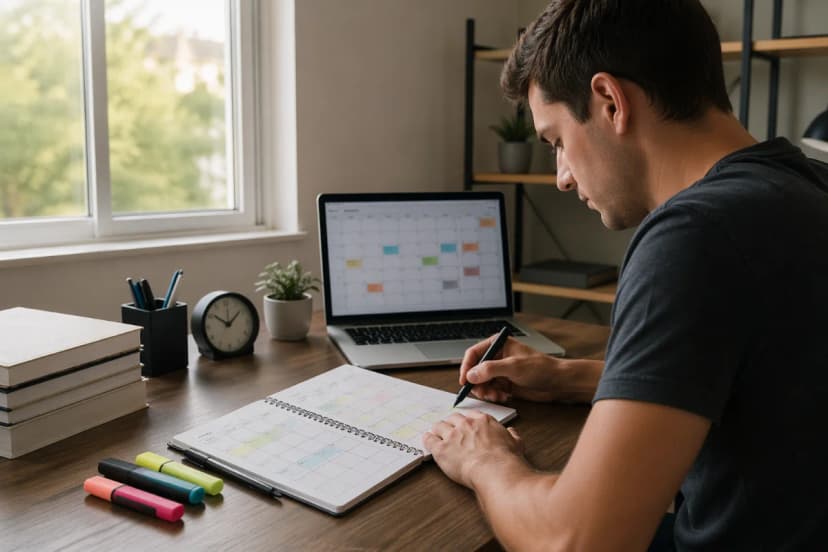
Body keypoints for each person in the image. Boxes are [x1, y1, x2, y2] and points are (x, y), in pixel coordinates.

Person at [422, 1, 828, 550]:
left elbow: (578, 541)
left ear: (610, 101)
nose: (561, 177)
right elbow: (762, 385)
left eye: (558, 142)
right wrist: (568, 377)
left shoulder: (694, 236)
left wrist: (485, 460)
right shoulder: (805, 188)